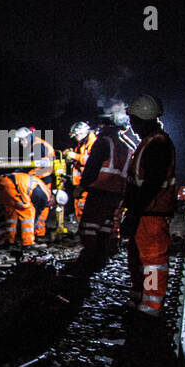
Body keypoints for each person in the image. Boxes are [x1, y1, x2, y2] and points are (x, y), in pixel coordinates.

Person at [121, 95, 176, 320]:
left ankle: (150, 307)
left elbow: (151, 183)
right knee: (137, 258)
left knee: (152, 261)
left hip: (151, 214)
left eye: (134, 121)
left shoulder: (158, 144)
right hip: (143, 212)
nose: (132, 126)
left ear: (144, 119)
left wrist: (134, 212)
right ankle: (139, 297)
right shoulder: (149, 142)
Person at [66, 115, 132, 276]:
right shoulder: (125, 146)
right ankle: (100, 259)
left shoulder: (103, 142)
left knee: (89, 226)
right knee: (105, 226)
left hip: (100, 188)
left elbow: (92, 165)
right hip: (117, 192)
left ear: (104, 127)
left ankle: (88, 260)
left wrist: (82, 186)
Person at [0, 168, 49, 248]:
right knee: (28, 210)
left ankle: (11, 240)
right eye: (53, 204)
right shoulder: (44, 195)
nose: (51, 206)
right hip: (12, 185)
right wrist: (34, 226)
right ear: (53, 198)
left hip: (1, 182)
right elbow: (36, 213)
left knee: (12, 212)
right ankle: (28, 243)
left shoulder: (42, 187)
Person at [64, 121, 96, 225]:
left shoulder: (92, 142)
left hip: (89, 182)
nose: (75, 138)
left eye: (75, 135)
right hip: (81, 183)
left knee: (86, 209)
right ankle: (82, 231)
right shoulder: (82, 144)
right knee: (79, 207)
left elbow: (92, 160)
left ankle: (87, 231)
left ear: (81, 133)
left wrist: (74, 156)